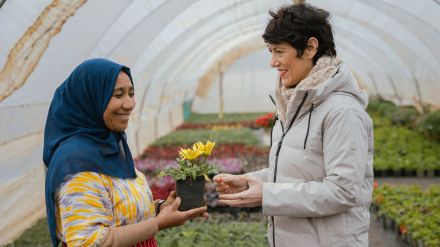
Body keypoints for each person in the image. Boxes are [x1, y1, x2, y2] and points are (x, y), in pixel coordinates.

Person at [214, 3, 373, 247]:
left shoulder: (342, 111)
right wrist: (249, 182)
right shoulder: (294, 103)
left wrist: (266, 195)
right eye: (270, 51)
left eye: (279, 51)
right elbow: (296, 171)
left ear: (310, 47)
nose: (272, 62)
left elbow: (343, 191)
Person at [43, 58, 207, 247]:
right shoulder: (77, 162)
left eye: (131, 93)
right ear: (91, 98)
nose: (129, 104)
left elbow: (117, 213)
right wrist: (158, 223)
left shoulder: (108, 147)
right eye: (118, 95)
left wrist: (160, 208)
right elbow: (88, 241)